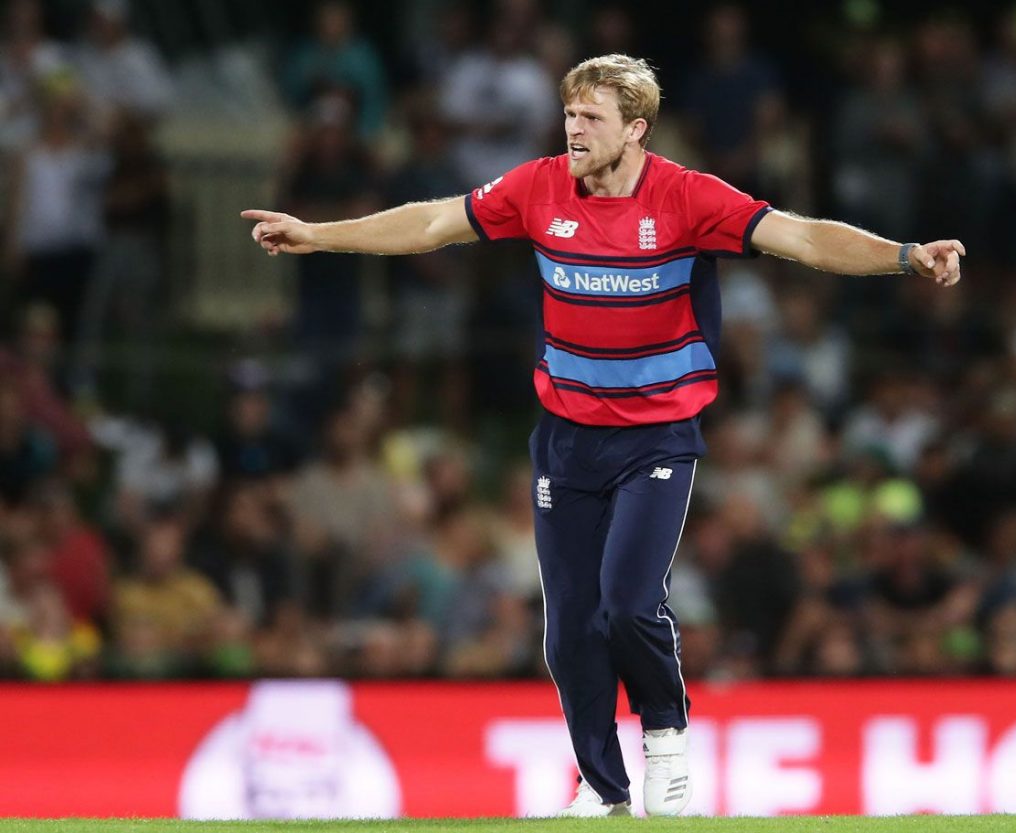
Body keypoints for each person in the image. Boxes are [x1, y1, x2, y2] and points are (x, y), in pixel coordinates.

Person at [242, 53, 963, 818]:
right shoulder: (539, 185)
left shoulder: (689, 197)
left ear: (636, 129)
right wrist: (319, 235)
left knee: (627, 602)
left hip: (656, 438)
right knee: (569, 630)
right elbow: (430, 222)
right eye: (570, 115)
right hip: (567, 439)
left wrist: (905, 257)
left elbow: (805, 240)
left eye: (592, 118)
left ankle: (666, 737)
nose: (574, 129)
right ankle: (602, 785)